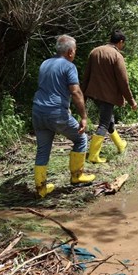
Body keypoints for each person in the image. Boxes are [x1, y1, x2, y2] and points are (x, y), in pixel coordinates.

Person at [32, 34, 95, 198]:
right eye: (74, 50)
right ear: (69, 52)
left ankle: (41, 189)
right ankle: (77, 176)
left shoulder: (45, 64)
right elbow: (75, 92)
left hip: (38, 111)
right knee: (81, 138)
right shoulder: (68, 66)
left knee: (43, 149)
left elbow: (51, 88)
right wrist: (83, 117)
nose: (74, 53)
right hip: (55, 113)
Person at [82, 30, 138, 163]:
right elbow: (123, 81)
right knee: (103, 124)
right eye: (123, 44)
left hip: (93, 94)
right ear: (120, 42)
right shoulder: (117, 56)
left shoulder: (94, 51)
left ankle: (120, 144)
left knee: (109, 120)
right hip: (107, 96)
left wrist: (83, 94)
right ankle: (93, 156)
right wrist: (131, 101)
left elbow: (86, 75)